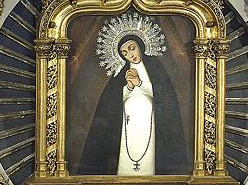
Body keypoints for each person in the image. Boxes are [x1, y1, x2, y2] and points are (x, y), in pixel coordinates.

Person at [80, 34, 188, 175]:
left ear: (140, 46)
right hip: (128, 124)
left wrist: (140, 83)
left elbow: (165, 95)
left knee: (149, 155)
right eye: (125, 53)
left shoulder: (155, 65)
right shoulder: (121, 73)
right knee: (128, 152)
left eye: (132, 49)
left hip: (150, 121)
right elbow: (112, 101)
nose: (130, 55)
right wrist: (129, 87)